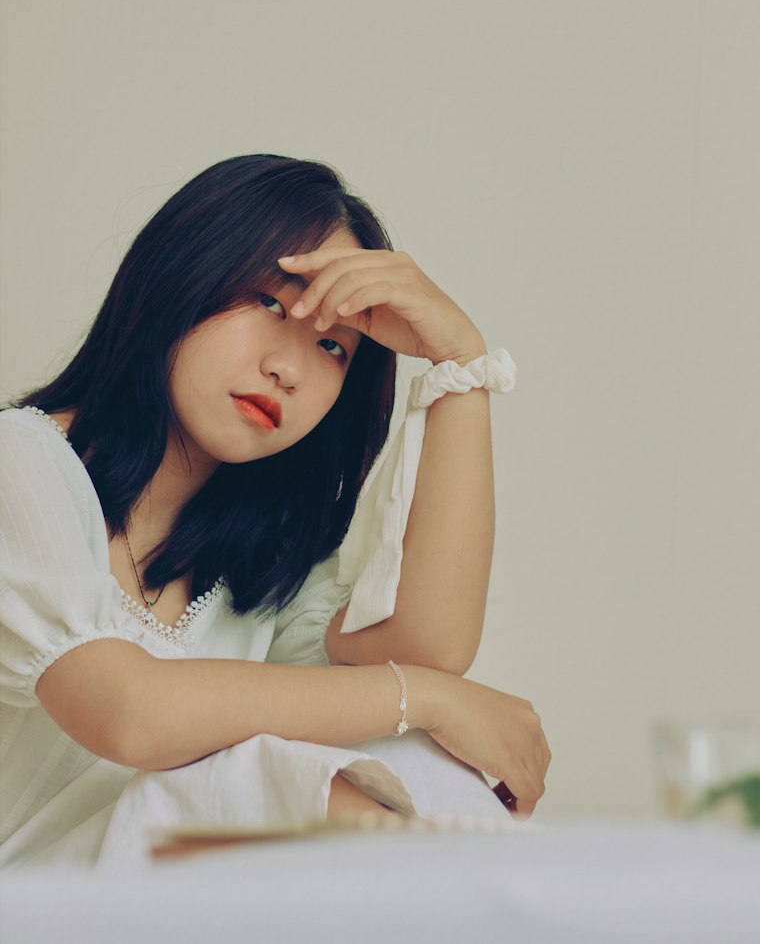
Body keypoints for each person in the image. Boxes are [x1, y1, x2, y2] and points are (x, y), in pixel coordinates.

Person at [0, 153, 550, 866]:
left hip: (134, 905)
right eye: (269, 303)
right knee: (303, 761)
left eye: (331, 346)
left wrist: (461, 366)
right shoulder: (22, 461)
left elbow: (428, 654)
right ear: (181, 272)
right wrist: (431, 699)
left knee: (414, 754)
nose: (289, 367)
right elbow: (127, 713)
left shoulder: (254, 572)